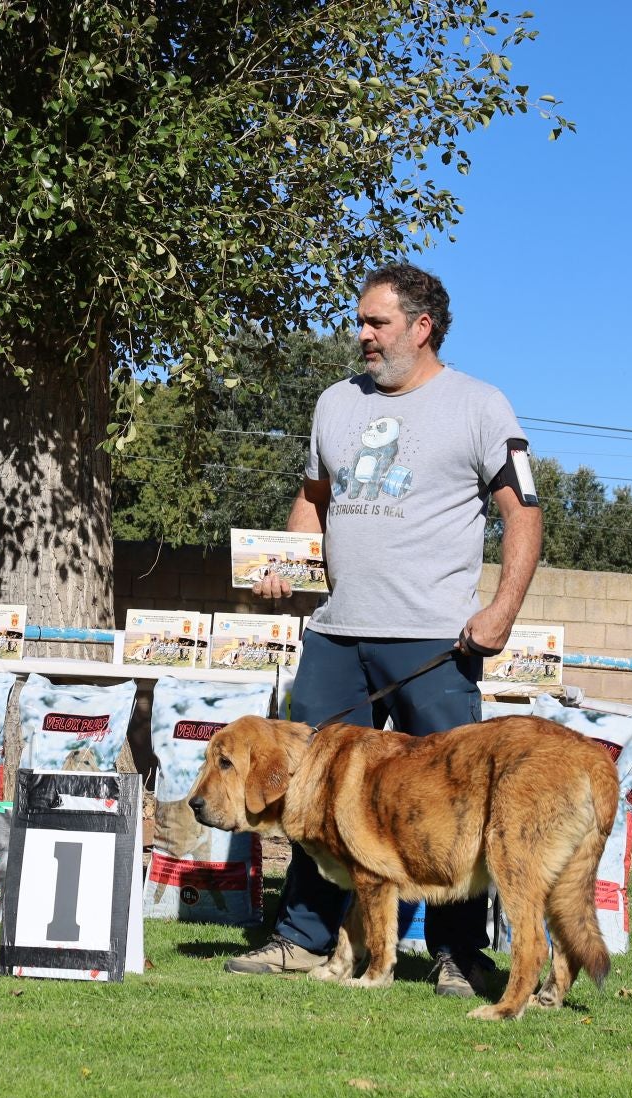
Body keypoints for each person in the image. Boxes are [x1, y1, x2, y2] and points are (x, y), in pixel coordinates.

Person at [226, 263, 542, 996]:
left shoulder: (480, 405)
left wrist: (501, 611)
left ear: (422, 327)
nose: (362, 335)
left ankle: (458, 955)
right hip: (336, 636)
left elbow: (522, 514)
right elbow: (313, 499)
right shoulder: (335, 403)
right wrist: (289, 563)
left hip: (435, 640)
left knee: (448, 802)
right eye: (361, 321)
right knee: (306, 796)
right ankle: (304, 938)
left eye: (377, 323)